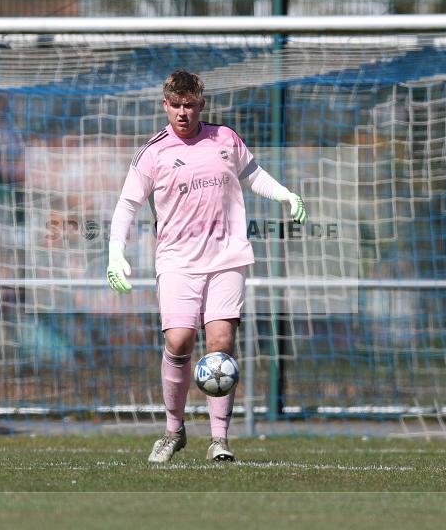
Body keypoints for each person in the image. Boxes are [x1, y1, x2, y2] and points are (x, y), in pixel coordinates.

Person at [107, 70, 307, 462]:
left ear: (201, 104)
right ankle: (173, 431)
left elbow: (253, 175)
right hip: (177, 261)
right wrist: (116, 252)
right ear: (165, 106)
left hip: (227, 256)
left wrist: (285, 194)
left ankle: (219, 439)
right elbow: (128, 204)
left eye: (189, 105)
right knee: (179, 341)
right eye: (175, 105)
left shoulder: (225, 139)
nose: (182, 113)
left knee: (220, 343)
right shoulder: (153, 153)